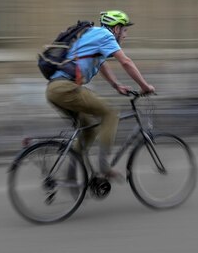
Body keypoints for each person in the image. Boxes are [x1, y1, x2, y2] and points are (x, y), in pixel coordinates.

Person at [46, 10, 155, 181]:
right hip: (66, 89)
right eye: (124, 30)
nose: (125, 35)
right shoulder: (105, 35)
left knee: (89, 129)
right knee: (110, 113)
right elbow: (126, 62)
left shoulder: (93, 34)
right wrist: (144, 86)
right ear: (116, 28)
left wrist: (116, 85)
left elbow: (101, 64)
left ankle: (70, 174)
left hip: (54, 90)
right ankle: (104, 167)